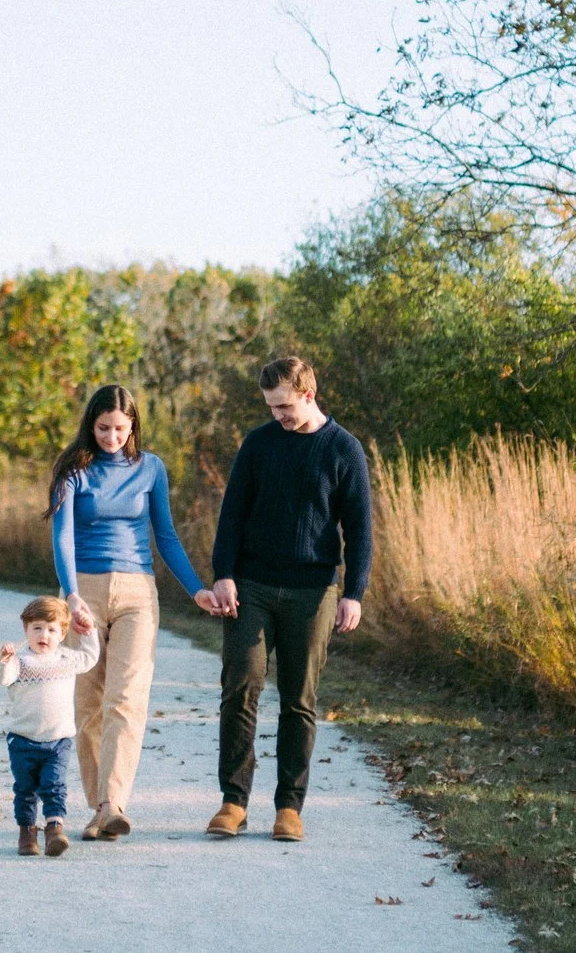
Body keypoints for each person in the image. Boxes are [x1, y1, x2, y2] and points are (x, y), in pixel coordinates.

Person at [201, 355, 371, 844]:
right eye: (271, 407)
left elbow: (359, 530)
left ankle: (288, 808)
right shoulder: (258, 444)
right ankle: (233, 802)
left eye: (284, 405)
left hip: (313, 590)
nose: (278, 415)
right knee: (241, 685)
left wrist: (353, 592)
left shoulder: (343, 449)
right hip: (251, 585)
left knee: (299, 699)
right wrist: (224, 575)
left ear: (308, 393)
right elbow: (231, 514)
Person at [46, 383, 219, 842]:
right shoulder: (74, 470)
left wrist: (196, 589)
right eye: (103, 428)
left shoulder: (151, 469)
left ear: (133, 426)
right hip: (86, 592)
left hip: (138, 594)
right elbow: (61, 536)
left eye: (121, 429)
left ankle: (111, 804)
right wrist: (71, 595)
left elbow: (166, 535)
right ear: (91, 425)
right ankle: (95, 805)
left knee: (125, 698)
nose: (112, 437)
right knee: (87, 700)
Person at [0, 595, 101, 856]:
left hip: (58, 739)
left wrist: (89, 632)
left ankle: (54, 829)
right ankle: (27, 832)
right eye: (37, 628)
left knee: (54, 785)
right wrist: (4, 660)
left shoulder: (66, 659)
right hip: (22, 739)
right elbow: (3, 678)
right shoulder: (20, 662)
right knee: (25, 789)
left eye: (52, 630)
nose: (44, 635)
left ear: (63, 633)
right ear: (26, 630)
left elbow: (90, 658)